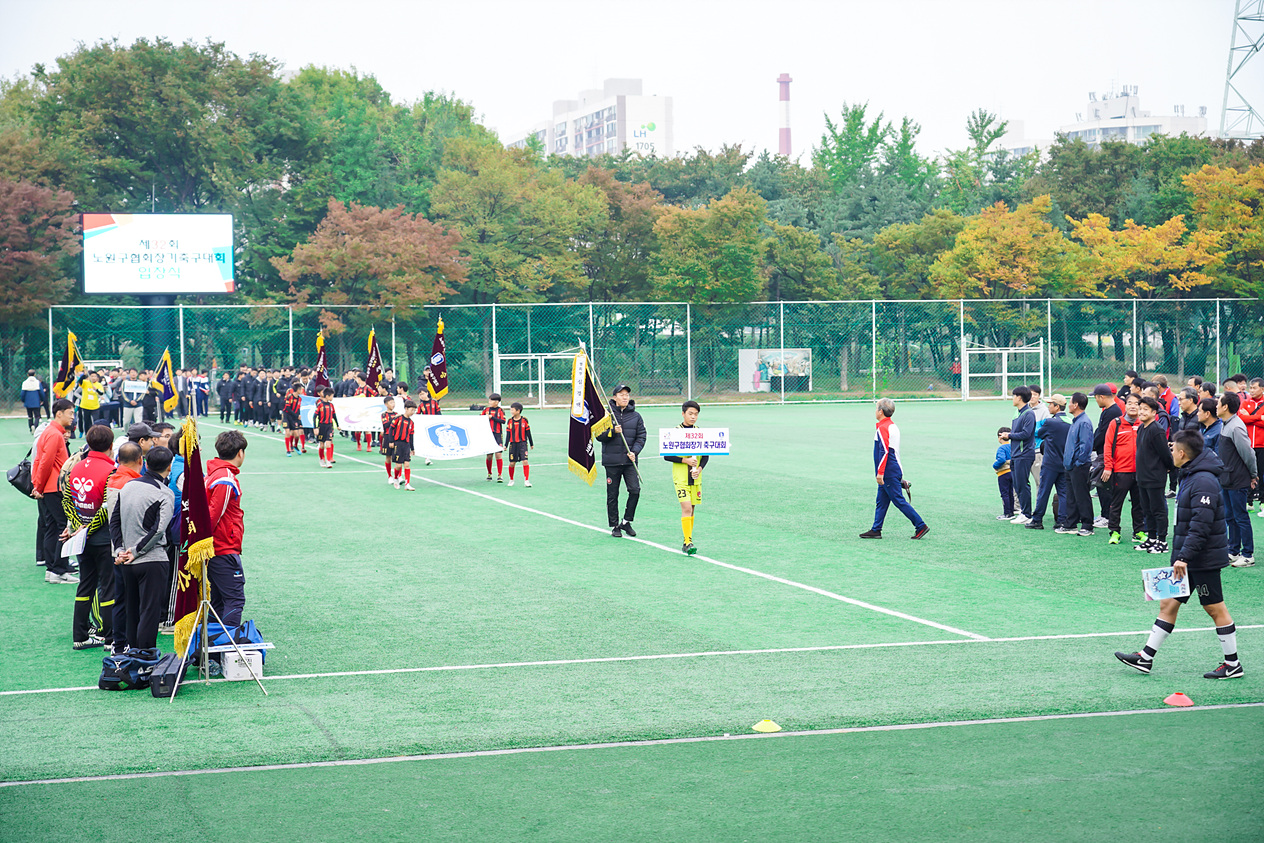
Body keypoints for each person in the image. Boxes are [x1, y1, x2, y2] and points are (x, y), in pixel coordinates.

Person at [1115, 430, 1243, 680]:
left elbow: (1201, 524)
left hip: (1201, 559)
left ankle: (1233, 664)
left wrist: (1184, 556)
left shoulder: (1203, 480)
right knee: (1168, 602)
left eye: (1173, 449)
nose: (1170, 452)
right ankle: (1146, 658)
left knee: (1215, 608)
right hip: (1190, 557)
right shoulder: (1191, 475)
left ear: (1182, 453)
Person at [110, 445, 175, 654]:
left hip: (127, 562)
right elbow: (158, 530)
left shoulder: (128, 486)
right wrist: (136, 551)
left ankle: (131, 655)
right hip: (152, 560)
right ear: (169, 467)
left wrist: (121, 549)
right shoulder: (165, 493)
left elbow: (114, 521)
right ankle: (145, 658)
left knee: (131, 610)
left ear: (145, 462)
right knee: (150, 612)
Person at [62, 424, 117, 649]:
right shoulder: (111, 469)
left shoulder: (75, 467)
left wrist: (78, 526)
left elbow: (66, 500)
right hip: (102, 539)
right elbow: (106, 508)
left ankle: (80, 636)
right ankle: (109, 638)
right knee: (108, 586)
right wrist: (88, 529)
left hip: (81, 539)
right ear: (111, 446)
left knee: (86, 585)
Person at [860, 398, 929, 541]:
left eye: (876, 408)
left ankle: (920, 525)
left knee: (898, 500)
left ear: (880, 411)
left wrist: (880, 473)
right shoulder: (891, 426)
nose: (875, 411)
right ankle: (876, 529)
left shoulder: (883, 428)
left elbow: (885, 451)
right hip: (892, 469)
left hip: (888, 471)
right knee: (881, 501)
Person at [206, 430, 248, 629]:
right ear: (240, 453)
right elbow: (213, 515)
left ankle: (212, 652)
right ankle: (227, 649)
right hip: (223, 548)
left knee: (219, 602)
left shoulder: (215, 473)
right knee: (234, 599)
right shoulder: (225, 478)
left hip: (218, 547)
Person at [32, 399, 77, 583]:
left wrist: (38, 486)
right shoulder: (54, 435)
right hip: (55, 488)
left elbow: (39, 462)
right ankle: (59, 570)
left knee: (52, 527)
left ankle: (52, 569)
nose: (73, 417)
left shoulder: (52, 433)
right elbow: (44, 463)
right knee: (63, 527)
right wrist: (39, 486)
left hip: (50, 488)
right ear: (59, 413)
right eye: (71, 413)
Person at [104, 441, 143, 655]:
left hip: (117, 548)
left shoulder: (114, 479)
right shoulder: (131, 484)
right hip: (131, 551)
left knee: (121, 598)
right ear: (140, 460)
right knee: (132, 600)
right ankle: (128, 643)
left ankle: (117, 643)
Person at [597, 385, 646, 537]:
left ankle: (626, 522)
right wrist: (612, 431)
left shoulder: (636, 416)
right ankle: (614, 526)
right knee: (613, 494)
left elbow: (641, 436)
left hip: (629, 461)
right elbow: (599, 435)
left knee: (635, 490)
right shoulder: (606, 415)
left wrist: (635, 452)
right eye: (621, 394)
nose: (625, 397)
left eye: (627, 395)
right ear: (614, 397)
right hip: (612, 461)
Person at [1216, 392, 1257, 568]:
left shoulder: (1236, 427)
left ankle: (1248, 554)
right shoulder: (1226, 424)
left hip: (1237, 479)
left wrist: (1253, 475)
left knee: (1241, 517)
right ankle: (1233, 551)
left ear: (1225, 407)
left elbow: (1248, 453)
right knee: (1230, 516)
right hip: (1227, 478)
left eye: (1218, 403)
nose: (1216, 406)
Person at [666, 400, 711, 553]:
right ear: (683, 414)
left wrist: (699, 468)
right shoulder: (675, 432)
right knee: (685, 507)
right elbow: (667, 456)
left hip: (695, 478)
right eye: (690, 414)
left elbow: (705, 456)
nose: (693, 417)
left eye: (696, 414)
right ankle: (688, 541)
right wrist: (685, 460)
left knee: (692, 509)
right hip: (681, 477)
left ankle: (687, 539)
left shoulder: (700, 432)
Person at [1103, 393, 1145, 545]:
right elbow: (1108, 446)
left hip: (1140, 472)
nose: (1133, 406)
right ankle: (1114, 532)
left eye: (1136, 403)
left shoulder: (1143, 424)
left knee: (1139, 503)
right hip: (1121, 471)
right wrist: (1108, 467)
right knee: (1116, 503)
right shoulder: (1116, 423)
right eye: (1130, 403)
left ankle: (1139, 531)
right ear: (1125, 406)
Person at [1135, 396, 1175, 554]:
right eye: (1141, 409)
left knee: (1158, 509)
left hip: (1154, 477)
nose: (1142, 412)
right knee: (1147, 509)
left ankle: (1162, 541)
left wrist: (1169, 468)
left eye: (1146, 409)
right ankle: (1151, 538)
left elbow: (1165, 454)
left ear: (1154, 412)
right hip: (1142, 476)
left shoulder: (1156, 429)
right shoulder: (1141, 428)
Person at [1027, 394, 1070, 531]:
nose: (1048, 406)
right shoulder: (1070, 422)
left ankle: (1037, 520)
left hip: (1050, 463)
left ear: (1057, 406)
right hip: (1064, 463)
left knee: (1043, 491)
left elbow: (1040, 433)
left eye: (1051, 404)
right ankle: (1062, 521)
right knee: (1063, 493)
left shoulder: (1051, 422)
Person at [1000, 386, 1036, 524]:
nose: (1012, 398)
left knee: (1022, 484)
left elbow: (1026, 434)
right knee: (1017, 485)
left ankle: (1026, 513)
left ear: (1019, 397)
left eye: (1014, 395)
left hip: (1024, 455)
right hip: (1016, 455)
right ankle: (1023, 512)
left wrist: (1009, 435)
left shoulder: (1028, 414)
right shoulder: (1018, 413)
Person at [1063, 392, 1096, 536]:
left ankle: (1087, 525)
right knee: (1071, 496)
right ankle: (1071, 524)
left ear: (1075, 405)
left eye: (1070, 402)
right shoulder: (1076, 421)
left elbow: (1086, 446)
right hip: (1070, 465)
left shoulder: (1083, 422)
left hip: (1079, 466)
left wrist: (1078, 462)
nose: (1068, 404)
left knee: (1082, 496)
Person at [1091, 384, 1123, 525]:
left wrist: (1091, 445)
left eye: (1096, 398)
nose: (1096, 400)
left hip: (1108, 455)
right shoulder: (1108, 410)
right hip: (1102, 453)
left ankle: (1108, 517)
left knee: (1105, 486)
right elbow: (1100, 431)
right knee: (1101, 485)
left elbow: (1104, 434)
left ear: (1102, 397)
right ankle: (1104, 514)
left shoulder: (1113, 411)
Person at [389, 401, 418, 490]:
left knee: (407, 464)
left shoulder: (411, 423)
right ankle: (396, 478)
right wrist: (391, 441)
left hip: (406, 445)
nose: (413, 412)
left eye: (414, 411)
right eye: (411, 410)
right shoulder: (398, 418)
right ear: (406, 409)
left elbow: (411, 435)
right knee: (398, 465)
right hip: (398, 444)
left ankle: (407, 484)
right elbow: (391, 429)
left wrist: (412, 448)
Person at [505, 402, 534, 487]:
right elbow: (508, 434)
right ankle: (511, 479)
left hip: (523, 444)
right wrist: (505, 445)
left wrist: (531, 443)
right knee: (512, 463)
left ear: (518, 411)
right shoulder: (510, 421)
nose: (511, 411)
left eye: (512, 410)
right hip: (513, 444)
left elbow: (528, 432)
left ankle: (526, 480)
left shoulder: (524, 420)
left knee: (525, 461)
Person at [482, 393, 506, 482]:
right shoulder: (486, 410)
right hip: (488, 434)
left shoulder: (500, 411)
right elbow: (480, 419)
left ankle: (500, 474)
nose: (489, 402)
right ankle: (489, 473)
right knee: (489, 455)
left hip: (498, 434)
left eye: (491, 400)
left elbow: (503, 421)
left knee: (498, 454)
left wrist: (492, 417)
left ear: (496, 402)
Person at [993, 427, 1014, 520]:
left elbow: (1001, 459)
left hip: (1003, 473)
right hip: (1012, 472)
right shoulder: (1012, 447)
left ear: (999, 437)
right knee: (1011, 493)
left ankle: (1007, 513)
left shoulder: (1001, 448)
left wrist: (995, 466)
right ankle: (1012, 512)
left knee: (1004, 493)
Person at [315, 387, 338, 468]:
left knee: (328, 444)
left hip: (329, 426)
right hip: (322, 426)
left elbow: (334, 416)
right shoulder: (320, 405)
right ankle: (321, 459)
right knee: (322, 445)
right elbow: (314, 416)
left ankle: (328, 461)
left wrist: (337, 425)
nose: (332, 398)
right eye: (332, 396)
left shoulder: (331, 405)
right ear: (327, 396)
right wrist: (315, 427)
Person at [416, 389, 440, 466]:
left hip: (435, 424)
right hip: (426, 426)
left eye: (423, 394)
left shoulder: (434, 403)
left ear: (427, 393)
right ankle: (427, 457)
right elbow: (418, 415)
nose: (422, 396)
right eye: (420, 395)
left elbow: (439, 413)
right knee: (427, 441)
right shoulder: (421, 406)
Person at [283, 381, 305, 456]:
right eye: (301, 389)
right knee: (288, 432)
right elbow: (288, 408)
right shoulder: (290, 397)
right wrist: (296, 415)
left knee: (296, 434)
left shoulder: (300, 399)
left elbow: (298, 408)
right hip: (286, 416)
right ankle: (288, 450)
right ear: (298, 390)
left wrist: (298, 416)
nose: (302, 391)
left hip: (294, 417)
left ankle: (295, 446)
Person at [379, 395, 398, 481]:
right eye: (391, 403)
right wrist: (394, 419)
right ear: (386, 404)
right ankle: (389, 475)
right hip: (387, 437)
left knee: (398, 457)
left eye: (393, 402)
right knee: (388, 457)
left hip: (396, 437)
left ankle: (398, 476)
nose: (393, 404)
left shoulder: (396, 414)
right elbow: (386, 425)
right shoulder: (384, 415)